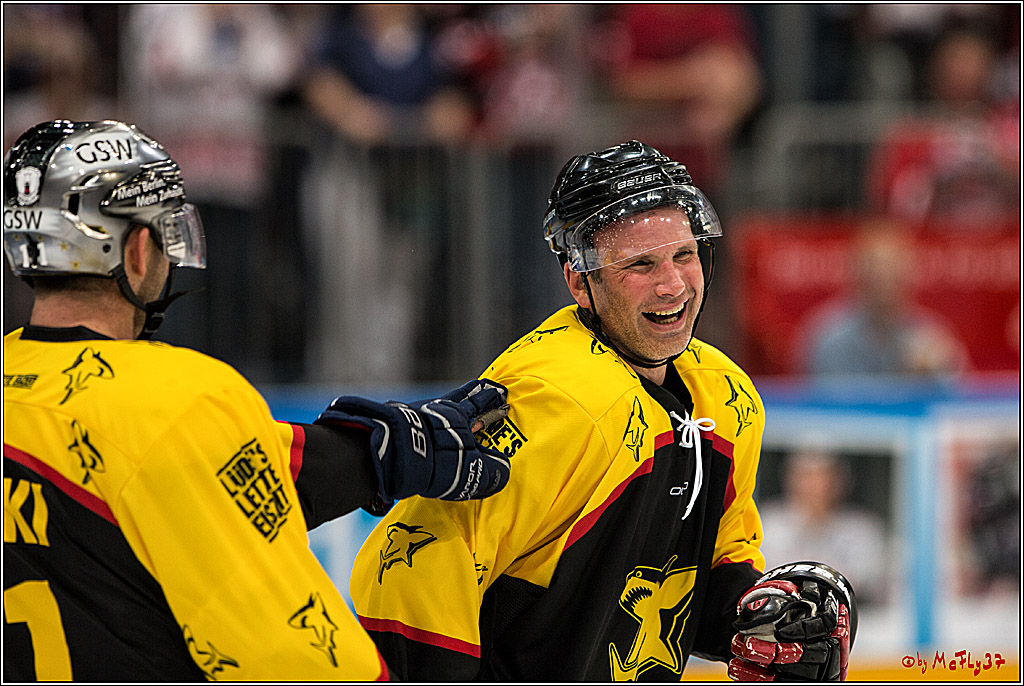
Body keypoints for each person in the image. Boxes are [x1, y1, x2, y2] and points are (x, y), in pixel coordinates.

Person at [2, 119, 511, 681]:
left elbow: (192, 472)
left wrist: (371, 454)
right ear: (139, 250)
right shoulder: (182, 400)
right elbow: (298, 660)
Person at [348, 141, 853, 681]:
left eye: (684, 254)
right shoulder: (555, 398)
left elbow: (696, 575)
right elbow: (405, 565)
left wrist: (754, 616)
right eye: (641, 264)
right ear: (578, 282)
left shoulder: (728, 397)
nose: (674, 285)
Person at [758, 446, 890, 606]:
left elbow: (861, 587)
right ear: (790, 479)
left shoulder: (863, 529)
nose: (816, 486)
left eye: (824, 476)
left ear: (841, 481)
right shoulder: (767, 522)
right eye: (806, 476)